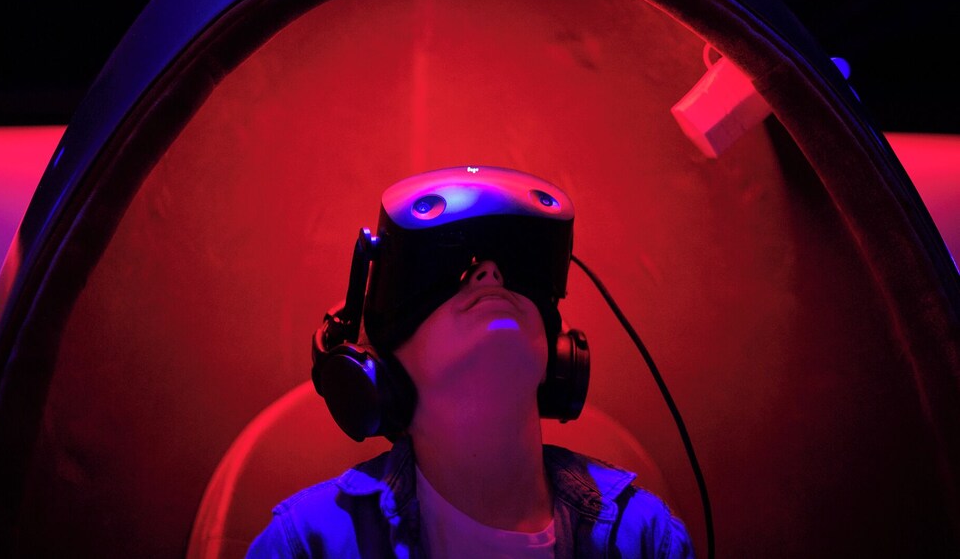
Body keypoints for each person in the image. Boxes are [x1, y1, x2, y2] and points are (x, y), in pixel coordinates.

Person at [248, 166, 693, 558]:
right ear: (384, 371)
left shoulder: (647, 539)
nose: (490, 274)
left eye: (510, 274)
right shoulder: (304, 545)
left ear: (557, 362)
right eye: (451, 276)